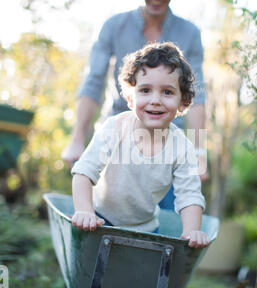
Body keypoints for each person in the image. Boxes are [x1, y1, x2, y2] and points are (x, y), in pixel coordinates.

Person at [61, 0, 209, 210]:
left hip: (166, 140)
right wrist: (76, 139)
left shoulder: (189, 33)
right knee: (105, 206)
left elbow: (197, 95)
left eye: (165, 92)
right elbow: (93, 82)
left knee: (167, 220)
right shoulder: (114, 26)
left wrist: (199, 151)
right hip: (118, 137)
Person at [70, 42, 209, 248]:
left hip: (145, 228)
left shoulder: (182, 148)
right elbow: (84, 173)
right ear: (130, 98)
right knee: (92, 273)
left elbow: (189, 195)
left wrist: (191, 232)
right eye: (145, 90)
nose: (155, 100)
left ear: (183, 102)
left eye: (167, 92)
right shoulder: (114, 129)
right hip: (99, 218)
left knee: (143, 277)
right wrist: (84, 211)